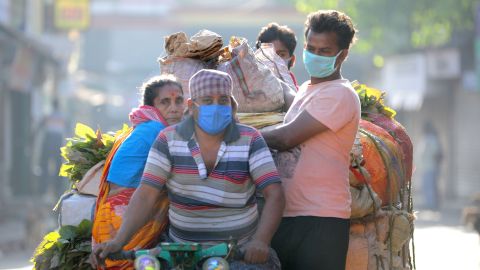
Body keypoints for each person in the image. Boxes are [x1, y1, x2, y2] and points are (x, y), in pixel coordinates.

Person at [91, 69, 285, 269]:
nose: (216, 107)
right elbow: (146, 195)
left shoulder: (250, 139)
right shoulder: (167, 139)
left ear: (232, 105)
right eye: (208, 101)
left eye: (223, 100)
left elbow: (275, 194)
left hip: (237, 251)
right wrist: (118, 241)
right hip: (178, 251)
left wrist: (261, 241)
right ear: (192, 106)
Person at [261, 10, 360, 270]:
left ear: (343, 55)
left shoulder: (340, 94)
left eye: (325, 51)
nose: (315, 56)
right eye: (310, 48)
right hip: (287, 215)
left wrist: (236, 135)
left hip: (321, 220)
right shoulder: (306, 90)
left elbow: (286, 137)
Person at [91, 75, 185, 269]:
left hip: (113, 211)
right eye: (165, 102)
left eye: (178, 100)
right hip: (124, 213)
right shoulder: (157, 131)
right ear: (152, 107)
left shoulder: (145, 127)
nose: (174, 108)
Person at [38, 99, 67, 200]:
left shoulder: (48, 115)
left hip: (49, 139)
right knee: (58, 166)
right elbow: (67, 130)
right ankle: (57, 189)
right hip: (57, 141)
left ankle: (43, 189)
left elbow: (39, 126)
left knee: (44, 165)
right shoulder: (62, 116)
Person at [256, 22, 299, 90]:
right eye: (268, 55)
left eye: (281, 55)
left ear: (292, 60)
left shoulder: (300, 97)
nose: (275, 60)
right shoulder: (248, 93)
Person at [419, 121, 442, 210]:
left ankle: (432, 205)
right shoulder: (426, 138)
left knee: (430, 187)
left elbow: (436, 153)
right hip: (426, 167)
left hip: (431, 167)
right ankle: (429, 204)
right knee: (427, 186)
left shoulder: (432, 139)